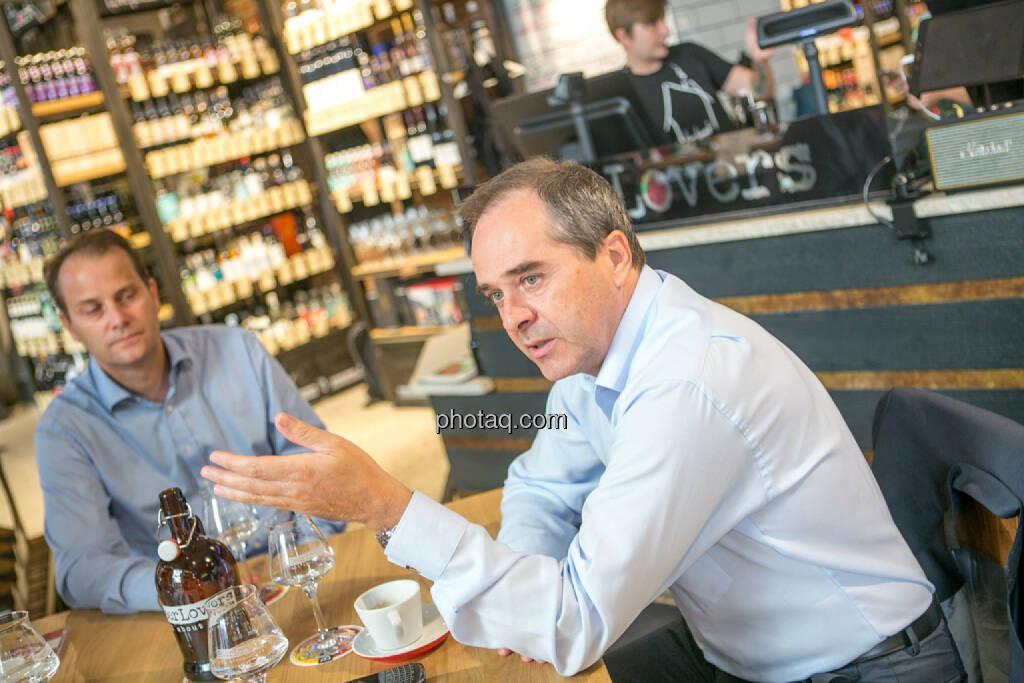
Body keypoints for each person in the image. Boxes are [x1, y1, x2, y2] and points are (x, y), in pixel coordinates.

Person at [202, 158, 965, 681]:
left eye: (532, 277)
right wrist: (522, 593)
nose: (515, 316)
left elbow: (572, 622)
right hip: (744, 654)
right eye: (496, 293)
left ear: (616, 254)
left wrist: (384, 504)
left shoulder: (685, 384)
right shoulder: (594, 355)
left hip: (864, 667)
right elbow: (540, 485)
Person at [35, 230, 342, 614]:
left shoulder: (237, 349)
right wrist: (185, 589)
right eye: (93, 309)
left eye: (126, 296)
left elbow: (317, 461)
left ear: (152, 293)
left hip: (294, 568)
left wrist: (309, 550)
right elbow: (83, 567)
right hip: (184, 613)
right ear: (69, 326)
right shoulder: (64, 430)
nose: (117, 319)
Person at [606, 0, 775, 144]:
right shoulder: (623, 94)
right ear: (624, 36)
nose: (666, 30)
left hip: (735, 169)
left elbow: (758, 91)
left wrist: (759, 59)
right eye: (651, 25)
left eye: (662, 21)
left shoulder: (689, 54)